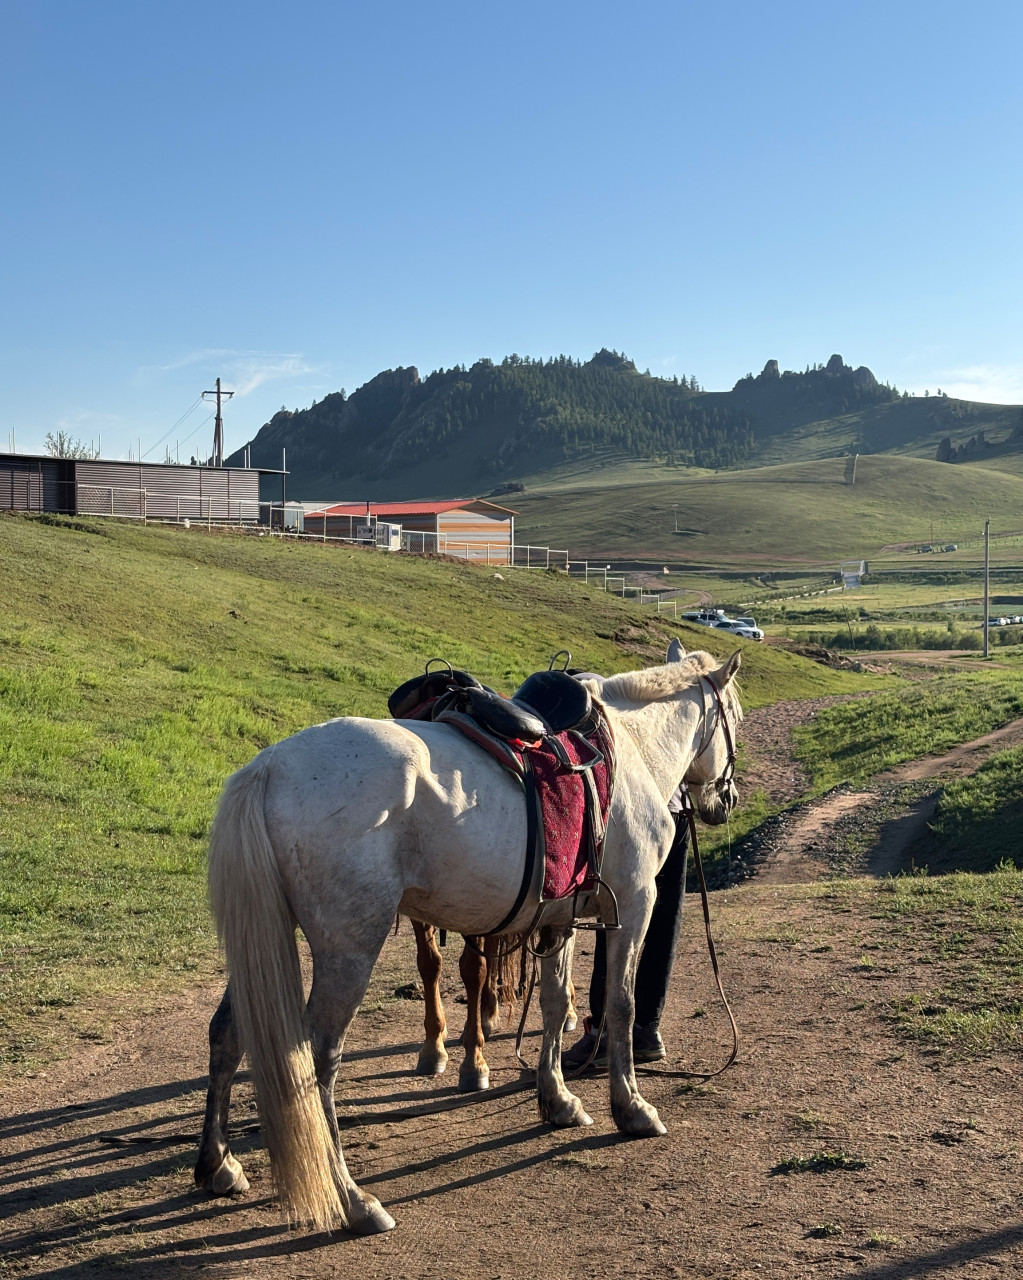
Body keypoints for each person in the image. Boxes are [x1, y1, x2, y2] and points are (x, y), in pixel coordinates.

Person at [562, 646, 691, 1069]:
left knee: (615, 917)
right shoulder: (659, 709)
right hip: (673, 810)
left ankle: (604, 1033)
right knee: (658, 916)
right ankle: (645, 1028)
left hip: (643, 814)